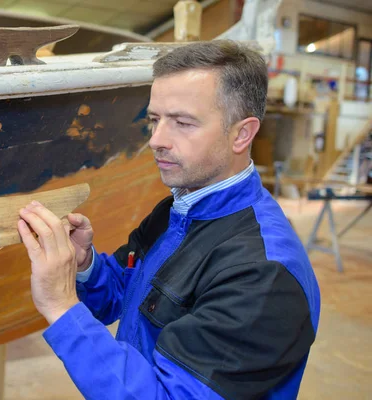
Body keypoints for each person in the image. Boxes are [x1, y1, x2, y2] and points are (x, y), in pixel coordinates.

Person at [16, 40, 320, 399]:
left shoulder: (263, 274)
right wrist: (84, 266)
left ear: (242, 134)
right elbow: (122, 295)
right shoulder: (178, 208)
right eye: (154, 120)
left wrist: (61, 306)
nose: (157, 140)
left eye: (183, 123)